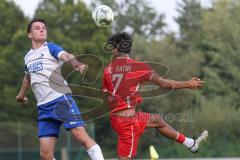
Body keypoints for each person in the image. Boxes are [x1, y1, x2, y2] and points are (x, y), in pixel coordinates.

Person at [102, 32, 208, 160]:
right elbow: (164, 84)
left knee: (157, 121)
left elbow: (108, 95)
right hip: (128, 123)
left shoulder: (107, 70)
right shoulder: (139, 67)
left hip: (118, 119)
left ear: (115, 50)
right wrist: (188, 84)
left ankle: (191, 143)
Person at [16, 18, 104, 160]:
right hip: (44, 108)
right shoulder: (27, 57)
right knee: (45, 155)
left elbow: (66, 55)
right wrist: (21, 95)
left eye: (44, 27)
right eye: (37, 28)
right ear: (29, 34)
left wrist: (75, 63)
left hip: (60, 100)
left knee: (81, 136)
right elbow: (28, 78)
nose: (41, 29)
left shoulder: (50, 47)